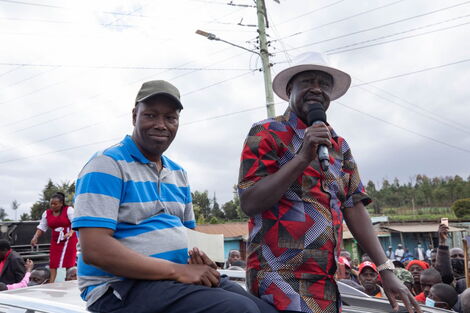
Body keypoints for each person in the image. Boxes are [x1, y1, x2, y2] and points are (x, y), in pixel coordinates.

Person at [237, 52, 421, 313]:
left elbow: (354, 207)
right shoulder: (265, 132)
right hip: (278, 277)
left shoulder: (339, 145)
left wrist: (385, 269)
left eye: (324, 84)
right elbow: (250, 200)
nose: (316, 89)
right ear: (290, 89)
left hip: (326, 280)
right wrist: (302, 158)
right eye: (307, 82)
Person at [72, 80, 278, 313]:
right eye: (150, 115)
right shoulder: (107, 165)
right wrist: (179, 271)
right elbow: (95, 250)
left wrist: (201, 261)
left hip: (175, 280)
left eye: (170, 118)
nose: (161, 125)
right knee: (237, 309)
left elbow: (190, 240)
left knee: (264, 310)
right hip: (120, 286)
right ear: (134, 116)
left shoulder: (178, 173)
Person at [30, 192, 78, 283]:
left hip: (69, 239)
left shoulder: (69, 210)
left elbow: (75, 223)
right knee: (53, 262)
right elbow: (42, 227)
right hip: (56, 240)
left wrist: (71, 232)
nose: (52, 206)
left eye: (55, 204)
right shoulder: (47, 213)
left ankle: (68, 281)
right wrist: (35, 237)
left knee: (68, 262)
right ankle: (51, 282)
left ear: (61, 204)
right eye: (51, 203)